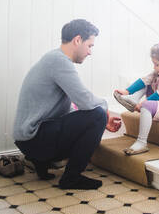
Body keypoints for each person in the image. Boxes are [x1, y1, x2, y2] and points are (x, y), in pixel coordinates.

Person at [13, 19, 121, 190]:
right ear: (77, 40)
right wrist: (105, 110)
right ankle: (71, 178)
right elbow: (85, 101)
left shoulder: (53, 59)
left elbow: (67, 107)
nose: (90, 52)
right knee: (97, 114)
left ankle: (41, 162)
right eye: (90, 46)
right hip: (34, 138)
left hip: (28, 138)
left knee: (93, 113)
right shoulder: (59, 61)